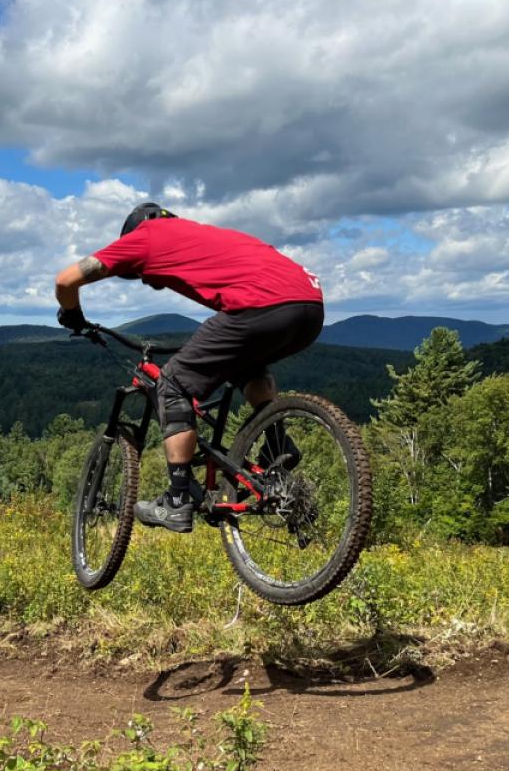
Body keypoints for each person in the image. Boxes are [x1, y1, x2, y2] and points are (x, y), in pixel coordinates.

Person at [54, 202, 324, 532]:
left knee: (173, 383)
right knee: (249, 367)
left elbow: (66, 280)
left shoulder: (146, 234)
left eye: (137, 273)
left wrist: (73, 316)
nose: (141, 278)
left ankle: (177, 500)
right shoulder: (199, 234)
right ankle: (278, 444)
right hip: (310, 306)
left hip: (261, 304)